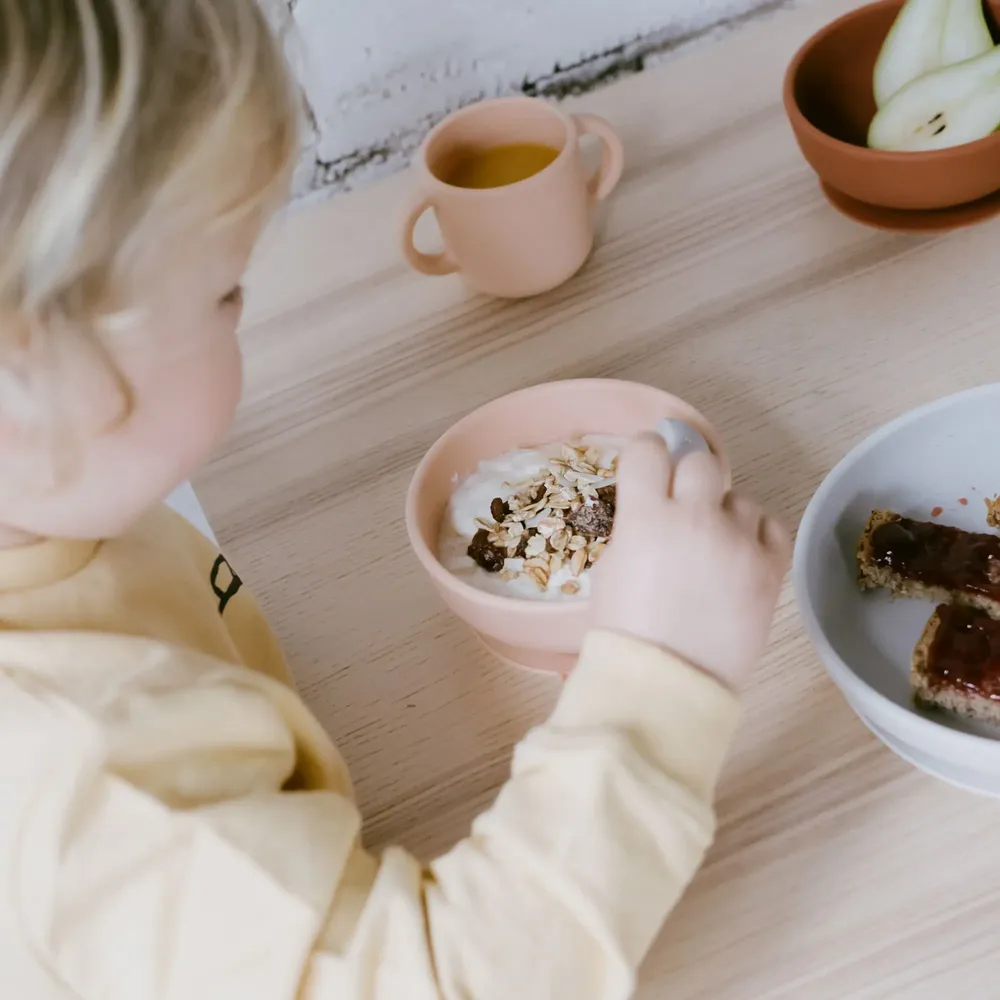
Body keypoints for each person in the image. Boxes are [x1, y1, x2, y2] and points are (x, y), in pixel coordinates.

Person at [0, 3, 791, 999]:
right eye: (225, 294)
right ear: (33, 382)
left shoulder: (52, 507)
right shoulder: (99, 787)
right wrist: (661, 679)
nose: (245, 310)